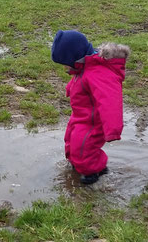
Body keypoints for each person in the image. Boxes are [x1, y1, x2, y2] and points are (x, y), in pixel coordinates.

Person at [51, 30, 129, 184]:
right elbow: (79, 81)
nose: (65, 67)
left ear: (75, 58)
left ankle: (94, 171)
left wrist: (113, 130)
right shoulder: (84, 67)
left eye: (65, 63)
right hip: (80, 117)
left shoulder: (98, 73)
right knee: (71, 141)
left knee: (82, 148)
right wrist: (70, 88)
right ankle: (80, 164)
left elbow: (110, 101)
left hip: (93, 123)